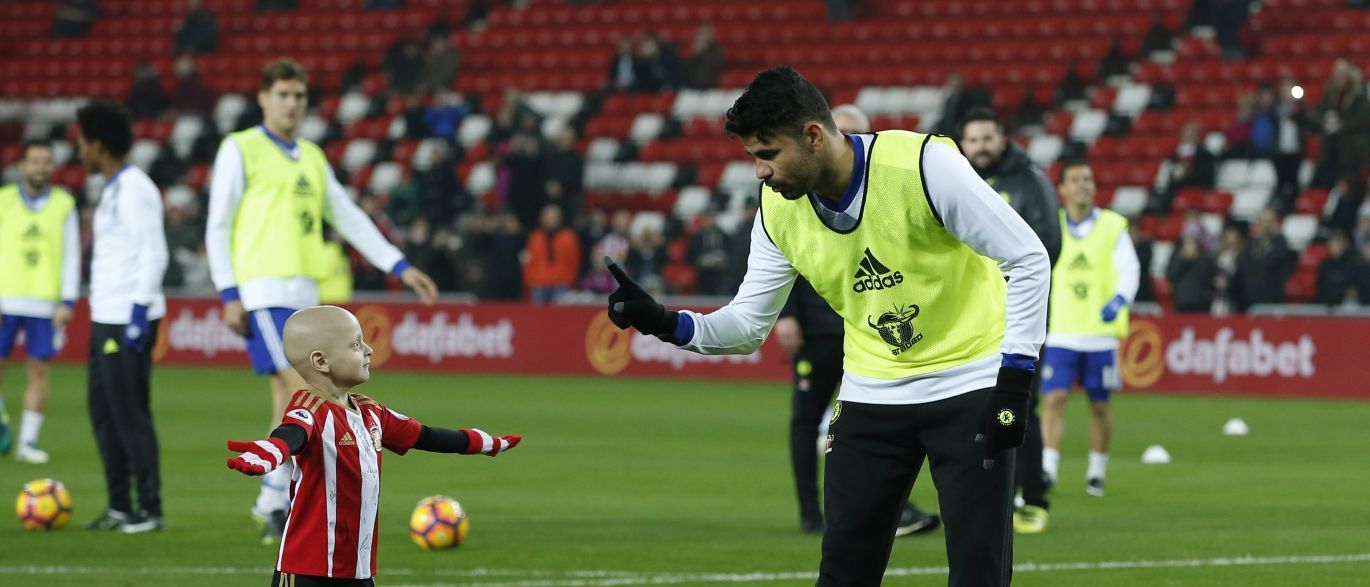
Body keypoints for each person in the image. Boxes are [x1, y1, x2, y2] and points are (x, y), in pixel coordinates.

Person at [605, 66, 1049, 587]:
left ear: (813, 137)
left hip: (969, 386)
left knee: (979, 574)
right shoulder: (777, 211)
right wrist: (665, 323)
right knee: (843, 572)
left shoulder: (924, 165)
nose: (759, 173)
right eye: (753, 157)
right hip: (871, 397)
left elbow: (1028, 258)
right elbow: (749, 324)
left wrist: (1014, 383)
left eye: (767, 154)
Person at [206, 59, 438, 544]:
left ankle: (272, 499)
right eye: (284, 94)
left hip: (305, 295)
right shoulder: (241, 148)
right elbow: (220, 223)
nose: (293, 104)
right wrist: (229, 293)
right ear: (263, 98)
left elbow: (348, 215)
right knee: (304, 393)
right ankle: (280, 499)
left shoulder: (310, 155)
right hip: (262, 289)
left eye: (300, 96)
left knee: (290, 396)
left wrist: (397, 264)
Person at [224, 305, 521, 586]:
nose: (368, 350)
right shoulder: (310, 409)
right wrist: (271, 452)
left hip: (357, 569)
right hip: (305, 571)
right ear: (320, 361)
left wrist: (484, 443)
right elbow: (291, 434)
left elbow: (424, 435)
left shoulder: (370, 412)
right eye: (355, 345)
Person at [773, 103, 939, 537]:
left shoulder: (883, 192)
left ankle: (892, 510)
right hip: (817, 330)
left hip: (869, 333)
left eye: (853, 135)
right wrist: (786, 315)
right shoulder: (795, 197)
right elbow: (782, 260)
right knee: (806, 420)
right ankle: (810, 511)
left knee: (883, 426)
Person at [960, 106, 1059, 534]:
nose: (980, 147)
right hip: (965, 315)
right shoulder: (956, 182)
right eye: (973, 140)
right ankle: (983, 493)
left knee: (1021, 402)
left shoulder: (1030, 181)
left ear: (1002, 139)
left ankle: (1033, 495)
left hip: (1017, 313)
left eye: (987, 138)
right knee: (966, 404)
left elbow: (1047, 245)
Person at [75, 101, 170, 534]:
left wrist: (136, 314)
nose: (79, 150)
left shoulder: (135, 189)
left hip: (126, 318)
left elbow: (155, 252)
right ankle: (119, 506)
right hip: (105, 316)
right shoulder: (113, 188)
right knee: (103, 411)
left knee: (130, 413)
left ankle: (150, 509)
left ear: (99, 143)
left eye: (82, 141)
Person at [1039, 160, 1140, 501]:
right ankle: (1048, 469)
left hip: (1100, 333)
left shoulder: (1112, 225)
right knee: (1055, 399)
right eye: (1075, 180)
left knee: (1100, 405)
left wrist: (1120, 299)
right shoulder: (1052, 227)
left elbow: (1130, 268)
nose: (1083, 184)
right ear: (1063, 190)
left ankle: (1096, 472)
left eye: (1088, 179)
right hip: (1061, 330)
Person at [0, 140, 80, 463]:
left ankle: (27, 443)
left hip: (44, 301)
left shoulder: (63, 203)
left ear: (52, 167)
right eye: (34, 161)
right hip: (5, 297)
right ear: (22, 165)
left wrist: (68, 300)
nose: (40, 167)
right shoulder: (4, 200)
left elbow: (71, 254)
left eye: (46, 161)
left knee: (39, 373)